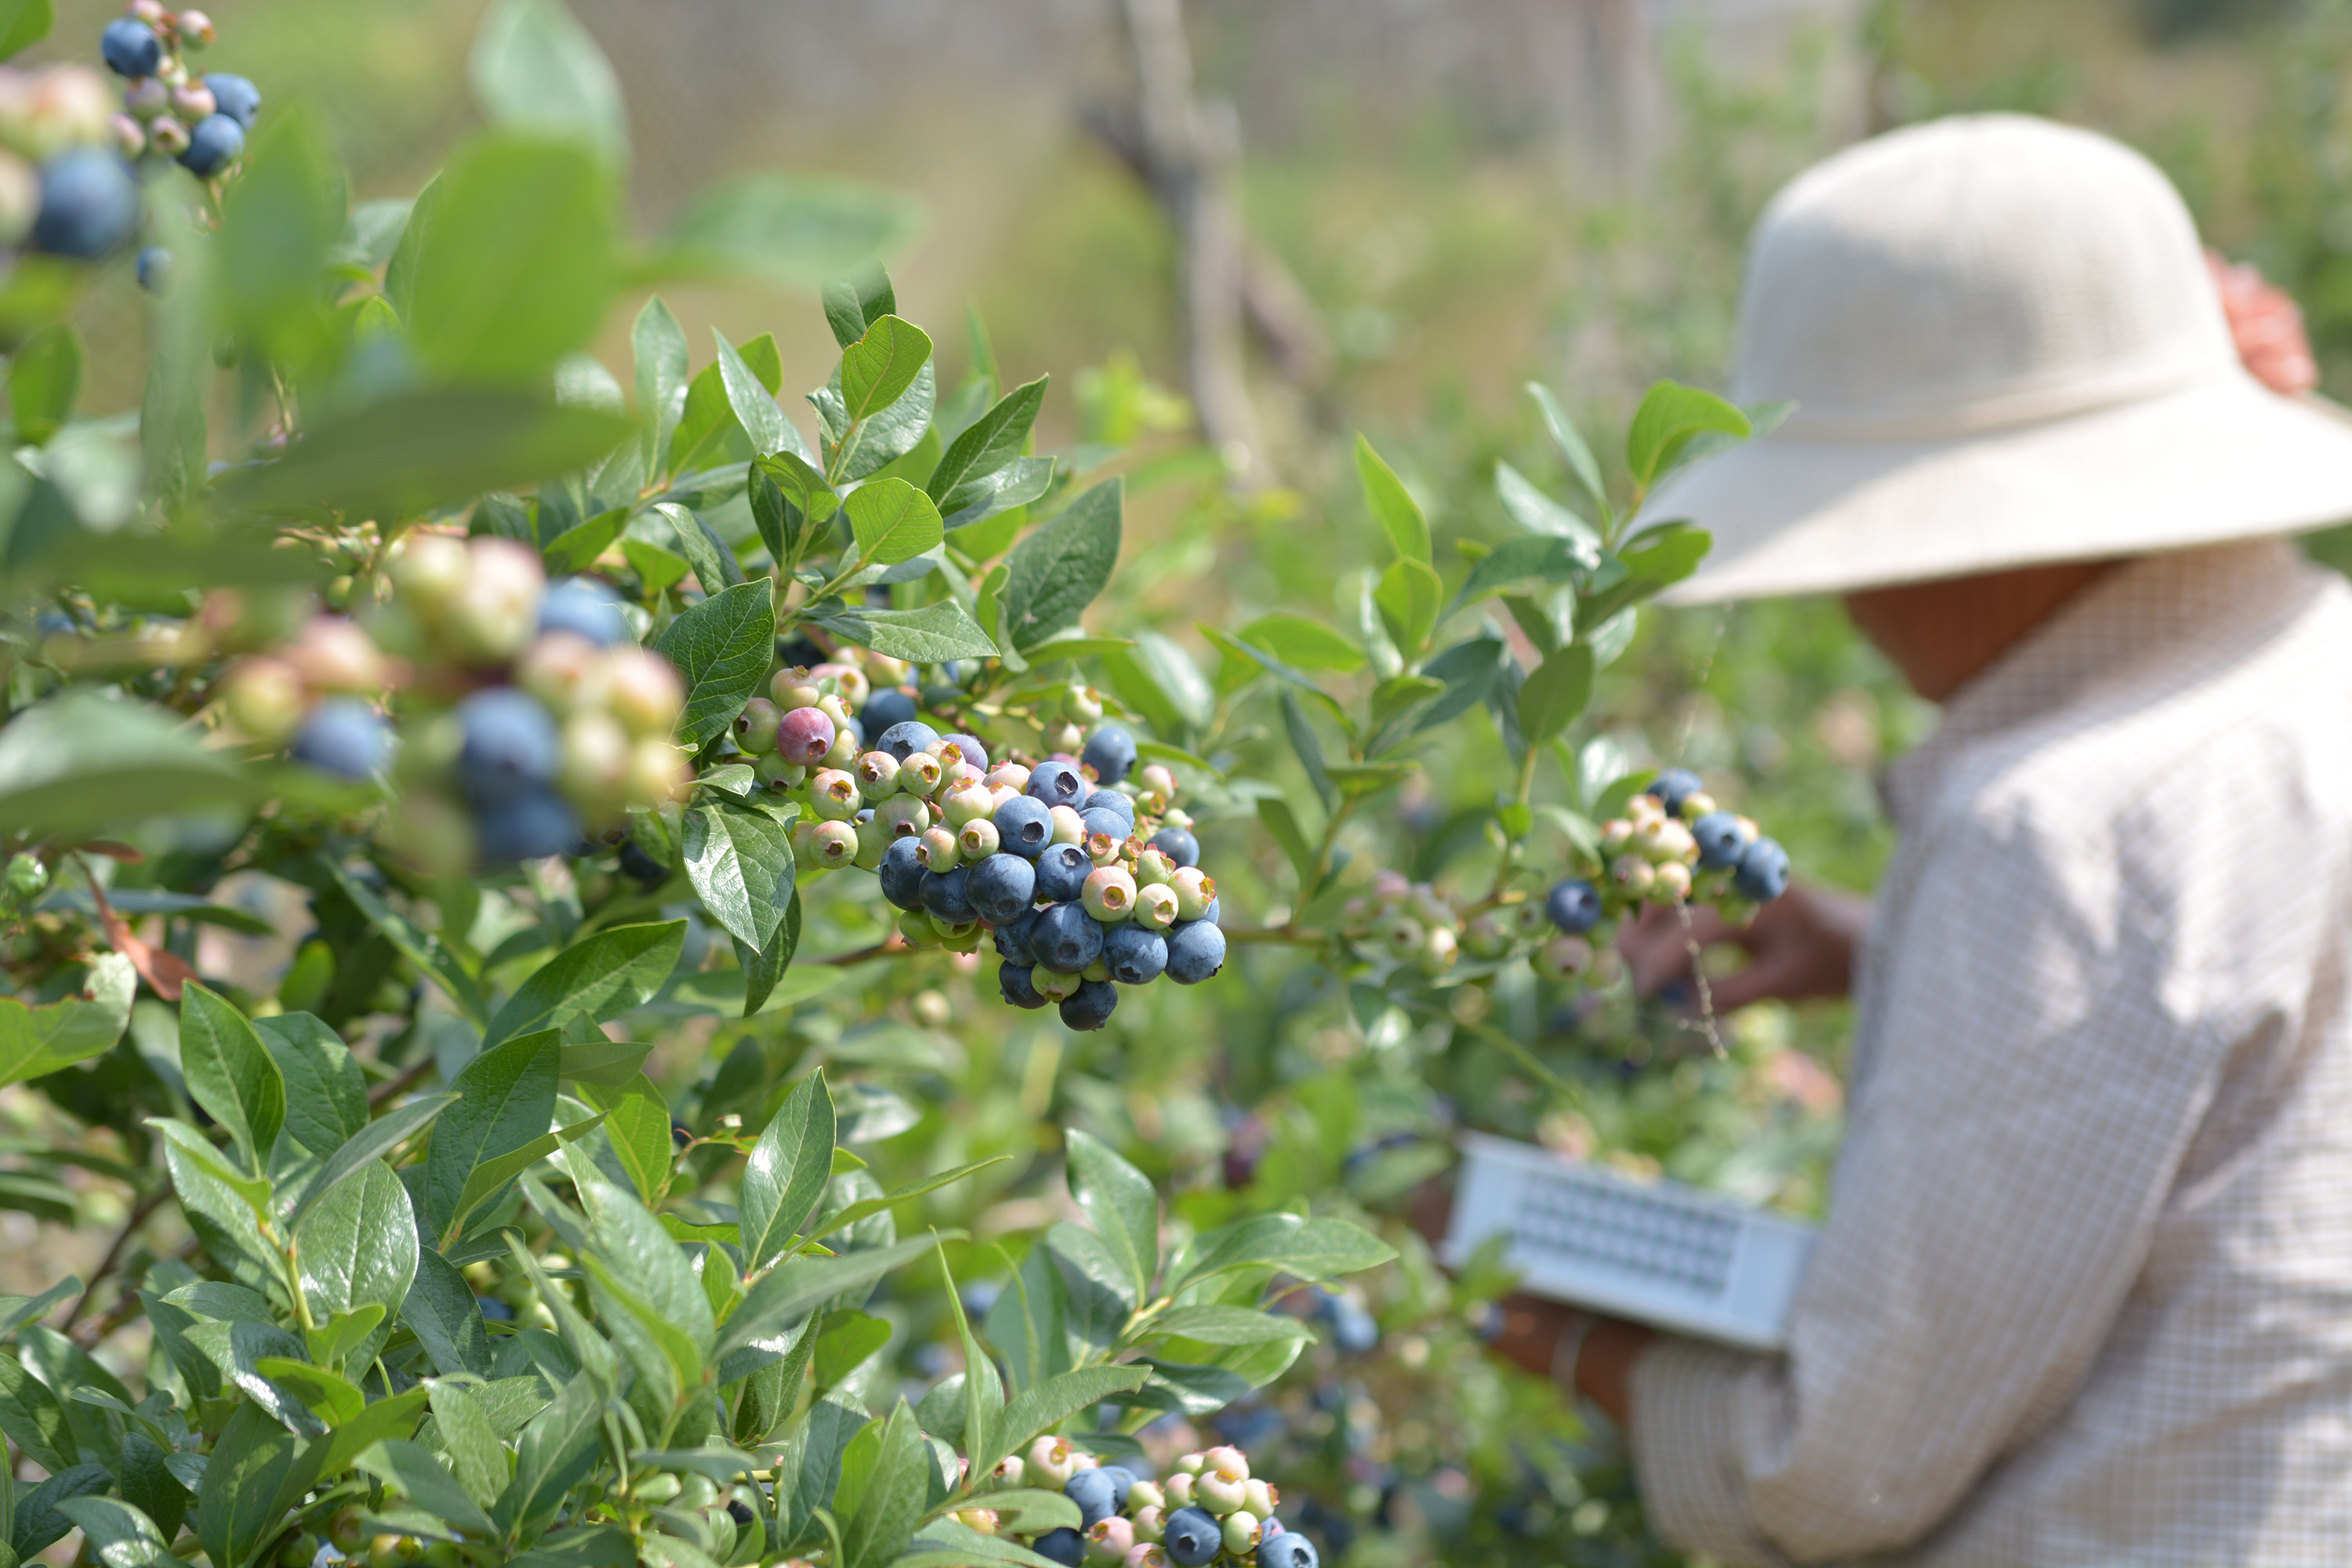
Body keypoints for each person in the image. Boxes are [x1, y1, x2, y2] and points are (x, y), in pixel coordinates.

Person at [1483, 114, 2352, 1564]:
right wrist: (1891, 946)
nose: (1844, 602)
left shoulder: (2056, 834)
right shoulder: (2314, 663)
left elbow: (1839, 1469)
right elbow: (2228, 1023)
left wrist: (1527, 1320)